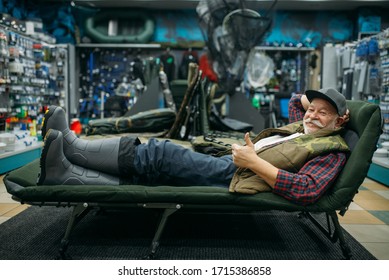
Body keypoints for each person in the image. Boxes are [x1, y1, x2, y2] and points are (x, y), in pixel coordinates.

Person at [38, 87, 350, 206]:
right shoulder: (305, 126)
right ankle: (69, 173)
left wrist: (253, 162)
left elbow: (306, 190)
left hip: (239, 176)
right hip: (235, 164)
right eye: (313, 109)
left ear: (339, 123)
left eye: (324, 113)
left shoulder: (331, 150)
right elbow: (298, 100)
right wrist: (324, 105)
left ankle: (75, 149)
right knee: (157, 165)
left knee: (161, 152)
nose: (312, 115)